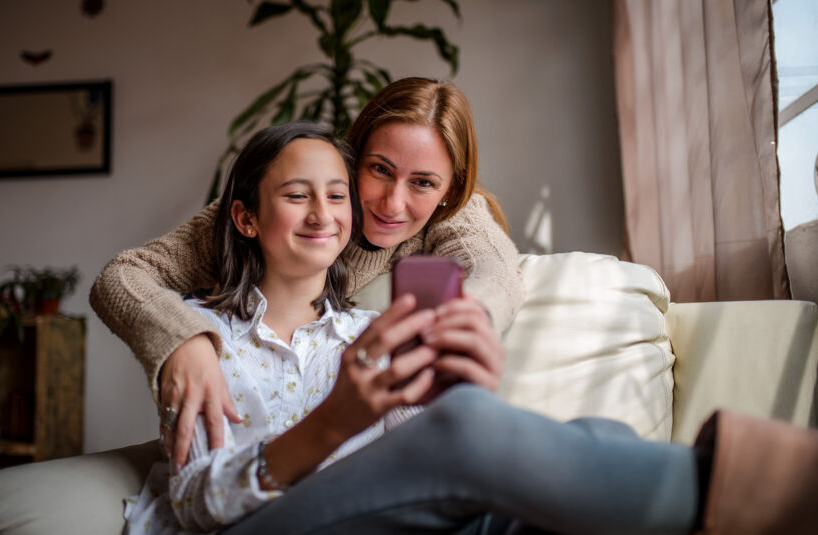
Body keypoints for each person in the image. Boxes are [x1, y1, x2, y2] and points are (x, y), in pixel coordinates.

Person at [122, 120, 701, 535]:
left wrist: (464, 378)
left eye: (337, 196)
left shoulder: (369, 334)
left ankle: (699, 492)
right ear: (246, 218)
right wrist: (334, 423)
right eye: (298, 196)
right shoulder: (195, 338)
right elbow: (199, 504)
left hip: (380, 518)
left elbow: (434, 452)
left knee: (592, 453)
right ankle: (729, 482)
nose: (323, 214)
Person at [91, 77, 524, 468]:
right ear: (352, 160)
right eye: (379, 170)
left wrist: (471, 322)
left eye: (424, 183)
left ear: (450, 190)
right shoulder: (280, 210)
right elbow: (123, 275)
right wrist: (183, 342)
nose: (393, 204)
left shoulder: (450, 214)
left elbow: (495, 271)